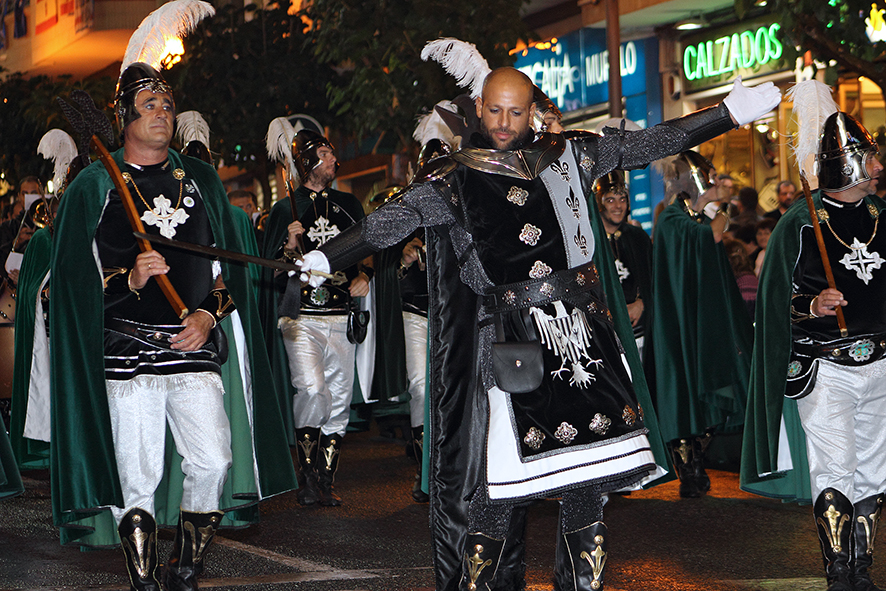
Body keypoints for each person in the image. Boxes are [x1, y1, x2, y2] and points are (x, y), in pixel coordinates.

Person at [296, 67, 780, 590]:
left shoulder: (571, 153)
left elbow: (647, 143)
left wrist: (726, 115)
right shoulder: (451, 178)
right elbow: (389, 222)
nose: (505, 123)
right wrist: (329, 254)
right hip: (511, 347)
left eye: (516, 111)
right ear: (478, 108)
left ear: (532, 111)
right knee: (497, 498)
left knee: (587, 501)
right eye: (495, 110)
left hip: (584, 341)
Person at [49, 61, 295, 590]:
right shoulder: (95, 185)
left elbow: (227, 267)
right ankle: (143, 579)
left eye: (167, 104)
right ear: (123, 117)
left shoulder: (201, 179)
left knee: (213, 460)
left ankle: (186, 566)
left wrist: (209, 314)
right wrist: (130, 281)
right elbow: (69, 286)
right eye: (148, 105)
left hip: (191, 345)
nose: (162, 113)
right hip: (127, 348)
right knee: (138, 476)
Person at [742, 107, 886, 591]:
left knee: (874, 471)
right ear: (848, 162)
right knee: (836, 467)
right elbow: (775, 302)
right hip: (827, 368)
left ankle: (862, 567)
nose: (879, 168)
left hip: (880, 362)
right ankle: (838, 571)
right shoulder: (800, 224)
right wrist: (813, 303)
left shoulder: (881, 216)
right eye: (870, 159)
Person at [267, 128, 372, 507]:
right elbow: (272, 273)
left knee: (339, 400)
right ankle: (306, 472)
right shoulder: (285, 210)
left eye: (331, 151)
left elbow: (368, 247)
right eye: (324, 152)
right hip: (301, 317)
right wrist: (289, 245)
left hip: (340, 314)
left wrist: (365, 275)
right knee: (312, 390)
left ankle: (324, 480)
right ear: (307, 160)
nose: (332, 158)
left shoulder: (350, 205)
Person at [650, 151, 755, 499]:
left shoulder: (689, 216)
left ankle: (698, 457)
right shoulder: (672, 219)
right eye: (706, 177)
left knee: (706, 385)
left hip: (699, 313)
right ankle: (688, 465)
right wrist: (722, 211)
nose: (711, 182)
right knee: (683, 389)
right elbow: (706, 237)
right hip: (679, 317)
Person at [595, 171, 652, 357]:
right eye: (610, 200)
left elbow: (654, 279)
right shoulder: (589, 240)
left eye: (622, 199)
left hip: (640, 330)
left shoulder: (638, 237)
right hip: (603, 333)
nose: (618, 206)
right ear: (599, 203)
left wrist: (642, 303)